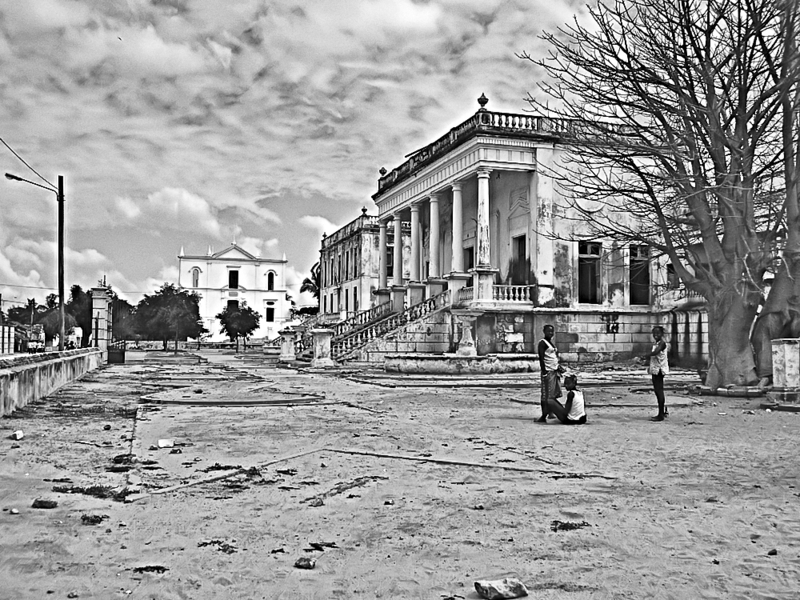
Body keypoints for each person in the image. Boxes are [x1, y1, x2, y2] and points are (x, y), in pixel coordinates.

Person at [537, 324, 564, 422]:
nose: (550, 333)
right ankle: (543, 416)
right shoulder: (542, 343)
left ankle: (550, 412)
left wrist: (558, 367)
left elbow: (553, 358)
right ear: (544, 331)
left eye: (552, 331)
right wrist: (544, 371)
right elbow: (541, 358)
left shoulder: (551, 343)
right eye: (548, 331)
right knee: (546, 394)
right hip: (548, 372)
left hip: (554, 371)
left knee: (552, 394)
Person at [642, 325, 669, 421]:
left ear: (662, 334)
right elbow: (654, 357)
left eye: (658, 333)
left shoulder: (661, 343)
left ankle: (661, 414)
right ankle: (662, 412)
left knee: (659, 391)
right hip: (656, 369)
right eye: (654, 333)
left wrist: (645, 355)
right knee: (658, 391)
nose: (656, 335)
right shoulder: (656, 343)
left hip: (659, 370)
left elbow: (655, 353)